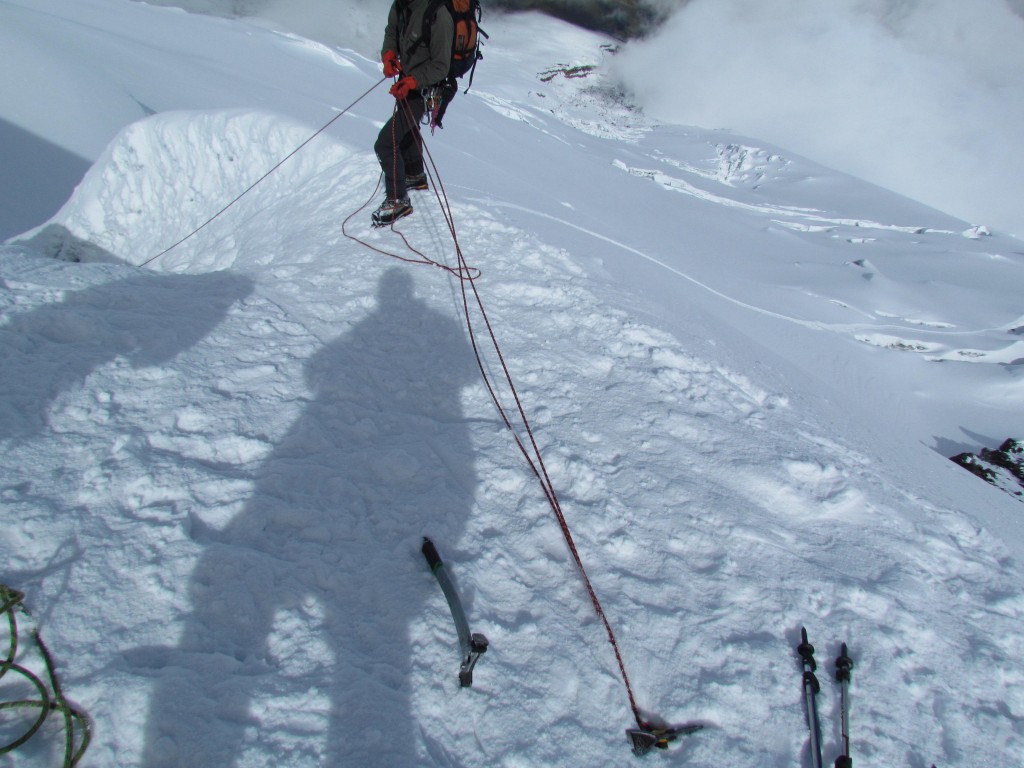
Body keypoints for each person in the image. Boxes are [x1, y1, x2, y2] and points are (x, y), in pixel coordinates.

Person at [372, 0, 454, 227]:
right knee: (406, 129)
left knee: (386, 143)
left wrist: (412, 82)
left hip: (426, 90)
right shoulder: (401, 5)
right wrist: (389, 55)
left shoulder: (438, 15)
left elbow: (441, 66)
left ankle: (398, 200)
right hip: (409, 84)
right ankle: (415, 174)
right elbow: (392, 30)